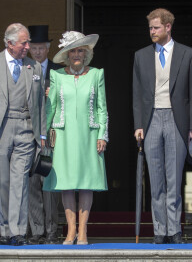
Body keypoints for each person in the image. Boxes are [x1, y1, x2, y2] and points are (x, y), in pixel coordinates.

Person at [133, 8, 192, 244]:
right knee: (155, 179)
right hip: (151, 119)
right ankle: (159, 231)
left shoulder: (187, 54)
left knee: (174, 178)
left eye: (156, 27)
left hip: (176, 119)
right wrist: (138, 124)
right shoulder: (141, 55)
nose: (152, 31)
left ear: (168, 27)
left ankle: (175, 230)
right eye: (150, 28)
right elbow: (137, 94)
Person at [0, 23, 46, 246]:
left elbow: (40, 104)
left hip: (26, 129)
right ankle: (5, 231)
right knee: (3, 182)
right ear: (9, 43)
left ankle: (17, 232)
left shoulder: (33, 67)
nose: (28, 46)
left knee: (20, 182)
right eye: (24, 43)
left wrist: (42, 134)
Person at [43, 31, 108, 245]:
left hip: (89, 135)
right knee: (67, 183)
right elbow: (50, 107)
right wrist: (44, 134)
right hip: (63, 135)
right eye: (73, 51)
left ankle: (83, 232)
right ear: (67, 55)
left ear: (87, 54)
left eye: (81, 50)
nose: (77, 55)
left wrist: (103, 135)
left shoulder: (96, 74)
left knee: (87, 183)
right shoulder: (57, 76)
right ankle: (71, 231)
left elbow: (102, 108)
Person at [27, 25, 61, 245]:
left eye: (41, 48)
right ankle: (36, 230)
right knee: (32, 183)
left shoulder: (58, 72)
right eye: (34, 48)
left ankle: (51, 230)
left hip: (49, 136)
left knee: (48, 182)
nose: (38, 52)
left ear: (48, 48)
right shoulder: (24, 69)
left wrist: (54, 94)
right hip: (28, 135)